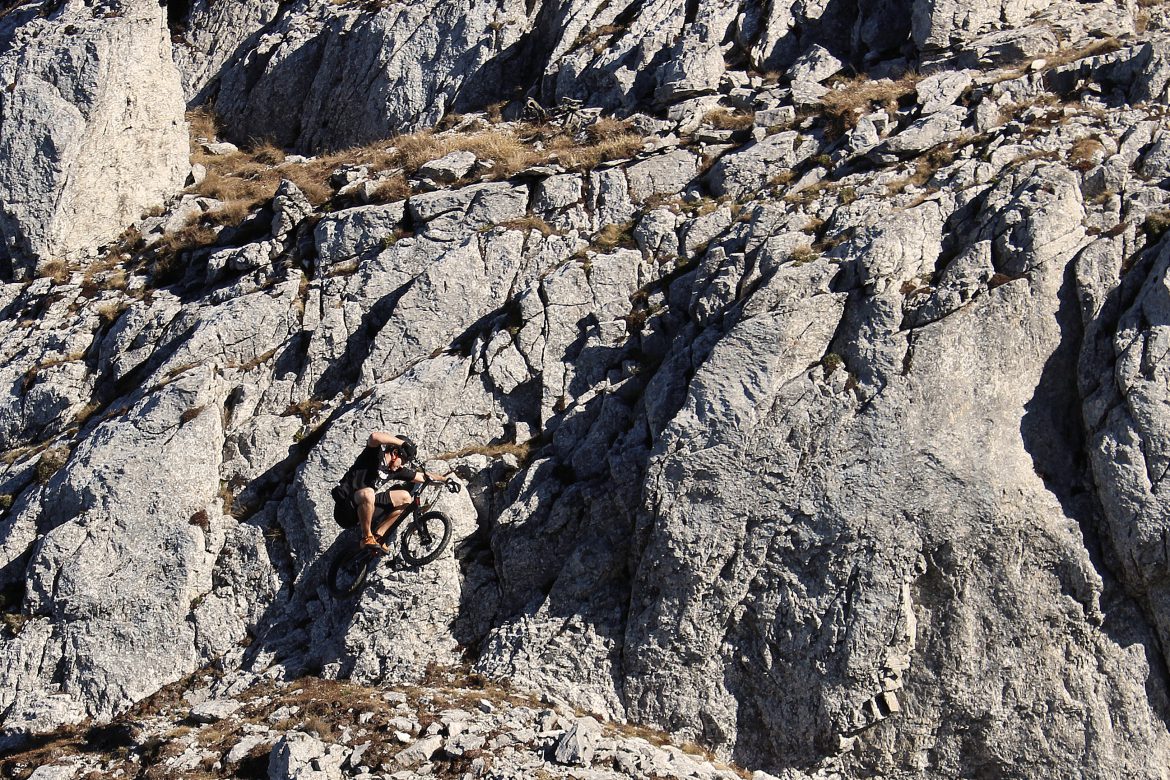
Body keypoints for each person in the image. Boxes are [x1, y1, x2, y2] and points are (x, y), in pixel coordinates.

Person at [335, 431, 459, 552]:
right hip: (345, 509)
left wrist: (446, 480)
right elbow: (374, 437)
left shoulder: (395, 471)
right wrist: (402, 444)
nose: (402, 466)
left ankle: (378, 537)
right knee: (368, 493)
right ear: (395, 453)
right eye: (403, 461)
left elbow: (422, 477)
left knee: (406, 498)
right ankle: (367, 537)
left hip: (365, 506)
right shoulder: (373, 455)